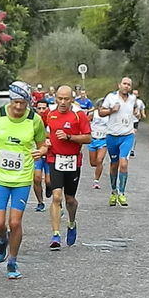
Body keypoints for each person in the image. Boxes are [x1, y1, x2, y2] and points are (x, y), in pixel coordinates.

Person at [0, 81, 48, 278]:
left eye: (23, 104)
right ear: (10, 100)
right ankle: (3, 239)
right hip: (0, 177)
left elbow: (43, 145)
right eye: (16, 103)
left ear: (28, 103)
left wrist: (40, 152)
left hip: (22, 178)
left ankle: (12, 262)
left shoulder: (35, 120)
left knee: (15, 223)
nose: (18, 107)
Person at [43, 85, 91, 249]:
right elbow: (39, 130)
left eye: (66, 99)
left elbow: (88, 138)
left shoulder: (79, 115)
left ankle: (71, 223)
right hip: (54, 159)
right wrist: (45, 141)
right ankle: (55, 234)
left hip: (72, 161)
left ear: (72, 99)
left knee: (70, 199)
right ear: (55, 98)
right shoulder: (49, 113)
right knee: (56, 197)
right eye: (59, 98)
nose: (62, 102)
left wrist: (69, 137)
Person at [99, 77, 137, 207]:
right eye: (124, 84)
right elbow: (101, 112)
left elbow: (135, 110)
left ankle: (122, 193)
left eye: (129, 85)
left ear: (131, 87)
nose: (126, 86)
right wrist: (111, 110)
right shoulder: (111, 97)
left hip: (127, 135)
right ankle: (114, 191)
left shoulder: (133, 99)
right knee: (114, 165)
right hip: (112, 136)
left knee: (124, 163)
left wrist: (135, 113)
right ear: (119, 85)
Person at [33, 99, 52, 211]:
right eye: (39, 108)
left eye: (43, 108)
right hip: (37, 153)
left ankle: (49, 187)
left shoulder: (52, 120)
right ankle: (40, 202)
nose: (41, 111)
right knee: (37, 178)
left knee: (49, 181)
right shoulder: (33, 121)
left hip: (49, 153)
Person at [88, 98, 108, 189]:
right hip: (93, 139)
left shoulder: (109, 116)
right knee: (93, 163)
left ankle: (96, 181)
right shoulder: (94, 114)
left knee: (99, 160)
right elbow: (85, 122)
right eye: (101, 107)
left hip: (103, 140)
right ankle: (99, 166)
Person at [130, 89, 146, 157]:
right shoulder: (128, 101)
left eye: (136, 94)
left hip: (135, 120)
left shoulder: (140, 102)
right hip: (128, 120)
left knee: (133, 134)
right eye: (133, 94)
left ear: (138, 95)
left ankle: (132, 150)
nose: (135, 95)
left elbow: (142, 108)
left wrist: (143, 114)